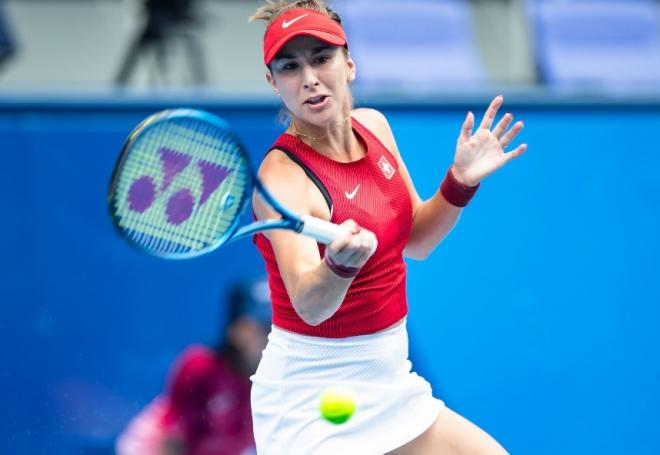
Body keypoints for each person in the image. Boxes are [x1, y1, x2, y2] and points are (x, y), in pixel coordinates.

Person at [248, 1, 527, 454]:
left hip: (388, 376)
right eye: (290, 67)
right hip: (310, 396)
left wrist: (460, 182)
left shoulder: (373, 126)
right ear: (273, 82)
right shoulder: (282, 179)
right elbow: (309, 305)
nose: (309, 78)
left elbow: (417, 240)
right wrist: (338, 267)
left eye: (321, 59)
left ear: (349, 64)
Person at [116, 278, 271, 455]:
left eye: (279, 329)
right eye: (267, 328)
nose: (274, 337)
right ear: (237, 331)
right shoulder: (201, 368)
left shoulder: (275, 381)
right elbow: (172, 441)